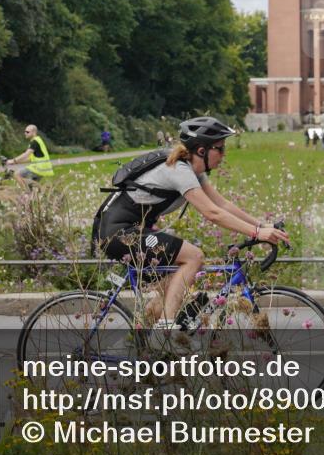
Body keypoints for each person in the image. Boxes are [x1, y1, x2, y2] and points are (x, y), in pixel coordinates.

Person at [93, 116, 289, 328]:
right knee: (194, 257)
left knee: (174, 291)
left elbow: (222, 204)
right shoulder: (179, 170)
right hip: (118, 233)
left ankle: (141, 344)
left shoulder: (192, 171)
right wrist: (256, 233)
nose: (224, 155)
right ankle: (165, 331)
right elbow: (212, 213)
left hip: (133, 231)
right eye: (220, 149)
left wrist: (261, 226)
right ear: (202, 151)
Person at [6, 124, 54, 190]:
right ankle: (34, 196)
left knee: (16, 174)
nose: (25, 133)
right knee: (30, 186)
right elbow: (29, 158)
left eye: (27, 132)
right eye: (25, 131)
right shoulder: (38, 140)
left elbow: (26, 154)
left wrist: (13, 160)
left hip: (38, 168)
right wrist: (15, 163)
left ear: (34, 132)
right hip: (42, 169)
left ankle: (26, 193)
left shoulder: (34, 142)